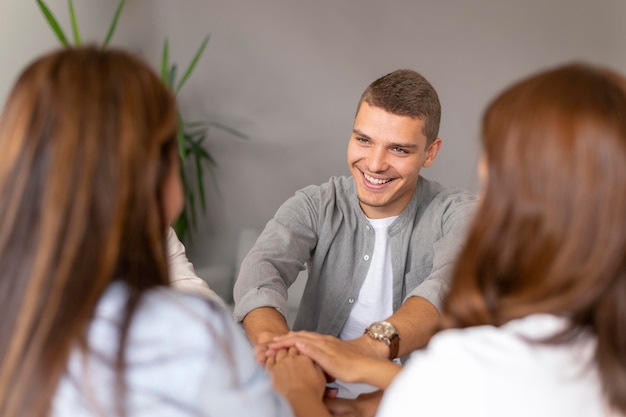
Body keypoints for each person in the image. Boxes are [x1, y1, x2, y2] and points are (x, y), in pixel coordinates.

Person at [270, 62, 626, 416]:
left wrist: (299, 390)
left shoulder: (475, 363)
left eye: (492, 186)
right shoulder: (596, 351)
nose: (483, 208)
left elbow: (449, 321)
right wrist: (367, 380)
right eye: (364, 139)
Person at [0, 46, 326, 417]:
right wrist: (300, 391)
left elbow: (187, 284)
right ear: (152, 174)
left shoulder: (22, 314)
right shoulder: (186, 337)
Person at [233, 68, 478, 397]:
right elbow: (263, 268)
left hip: (408, 401)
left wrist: (367, 348)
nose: (375, 164)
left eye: (398, 149)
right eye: (364, 140)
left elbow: (449, 286)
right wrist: (275, 347)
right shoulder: (315, 203)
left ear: (430, 153)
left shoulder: (459, 212)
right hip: (310, 393)